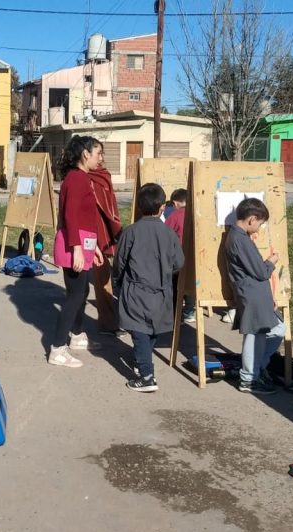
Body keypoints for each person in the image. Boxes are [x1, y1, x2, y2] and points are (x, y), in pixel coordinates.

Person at [114, 183, 185, 392]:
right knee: (152, 329)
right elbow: (179, 262)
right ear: (163, 206)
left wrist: (117, 281)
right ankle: (142, 360)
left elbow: (119, 261)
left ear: (138, 207)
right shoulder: (169, 233)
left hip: (136, 289)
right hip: (161, 289)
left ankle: (147, 376)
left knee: (139, 330)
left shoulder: (130, 232)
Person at [49, 135, 104, 368]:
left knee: (82, 292)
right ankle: (57, 349)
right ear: (85, 154)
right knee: (74, 296)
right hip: (75, 244)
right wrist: (78, 250)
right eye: (98, 153)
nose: (100, 158)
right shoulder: (77, 178)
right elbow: (70, 216)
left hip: (84, 242)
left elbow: (86, 217)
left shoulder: (82, 177)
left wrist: (96, 247)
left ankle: (77, 334)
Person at [226, 197, 283, 395]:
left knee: (277, 329)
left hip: (256, 294)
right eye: (259, 224)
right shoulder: (240, 239)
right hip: (251, 294)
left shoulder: (240, 237)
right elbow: (260, 272)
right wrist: (271, 261)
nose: (259, 229)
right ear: (252, 219)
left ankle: (258, 368)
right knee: (254, 336)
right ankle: (249, 378)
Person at [88, 154, 123, 335]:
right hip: (94, 234)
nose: (101, 157)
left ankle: (109, 321)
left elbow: (110, 206)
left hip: (106, 231)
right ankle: (107, 324)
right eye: (97, 153)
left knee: (105, 280)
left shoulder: (103, 175)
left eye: (102, 153)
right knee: (102, 281)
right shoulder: (87, 179)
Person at [164, 188, 196, 324]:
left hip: (178, 257)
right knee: (192, 286)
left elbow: (165, 234)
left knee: (176, 287)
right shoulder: (196, 213)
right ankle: (189, 312)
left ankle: (176, 315)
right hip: (195, 257)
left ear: (175, 203)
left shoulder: (174, 216)